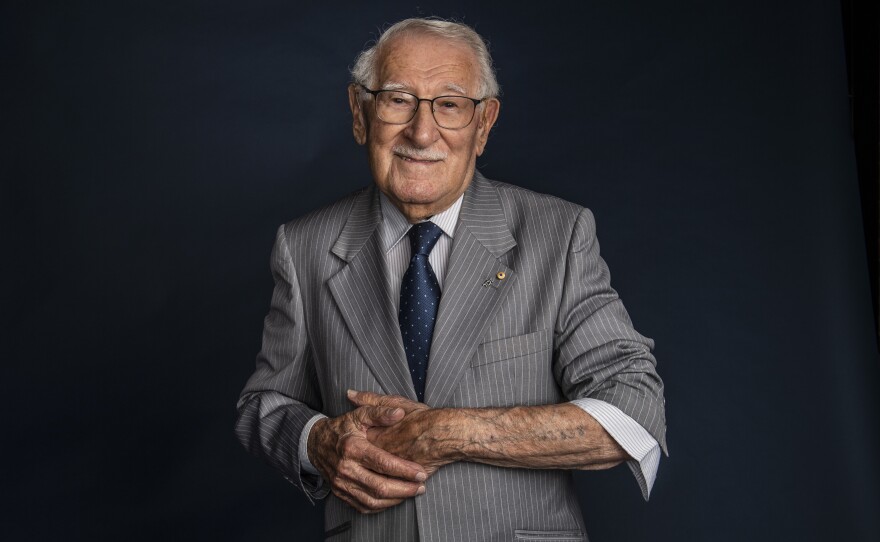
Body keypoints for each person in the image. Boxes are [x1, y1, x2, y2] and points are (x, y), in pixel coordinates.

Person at [235, 17, 667, 542]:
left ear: (483, 124)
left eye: (450, 104)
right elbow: (264, 404)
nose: (421, 132)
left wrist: (449, 433)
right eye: (397, 99)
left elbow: (633, 407)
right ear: (359, 113)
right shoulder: (303, 246)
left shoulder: (559, 235)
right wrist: (316, 439)